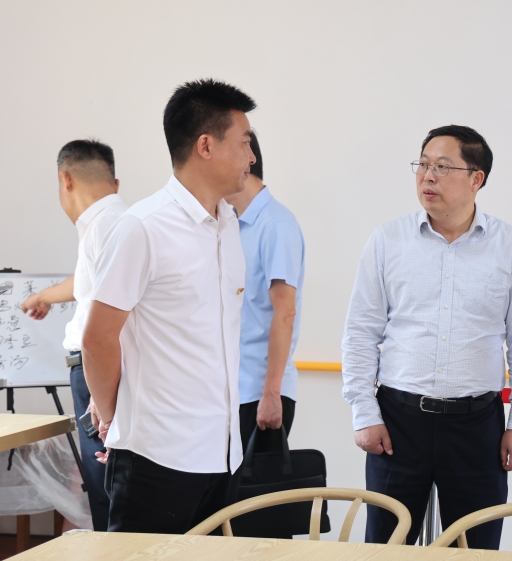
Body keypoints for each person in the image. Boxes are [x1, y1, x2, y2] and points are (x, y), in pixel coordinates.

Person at [342, 125, 512, 549]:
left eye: (442, 166)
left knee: (475, 549)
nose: (428, 176)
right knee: (385, 548)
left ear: (476, 179)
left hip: (477, 427)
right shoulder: (388, 240)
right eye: (422, 165)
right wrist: (364, 412)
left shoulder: (511, 247)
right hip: (397, 423)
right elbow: (361, 332)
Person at [81, 79, 256, 534]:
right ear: (206, 146)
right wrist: (114, 417)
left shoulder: (228, 224)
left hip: (222, 454)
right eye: (244, 142)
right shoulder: (143, 226)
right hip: (155, 457)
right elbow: (97, 337)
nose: (252, 157)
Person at [21, 139, 126, 531]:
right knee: (107, 484)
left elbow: (105, 325)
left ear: (65, 180)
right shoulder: (112, 221)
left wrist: (102, 400)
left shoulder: (104, 227)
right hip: (98, 368)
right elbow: (88, 283)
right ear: (115, 183)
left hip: (96, 369)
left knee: (105, 486)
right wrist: (44, 297)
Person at [224, 131, 305, 454]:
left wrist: (271, 393)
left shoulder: (276, 225)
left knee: (256, 488)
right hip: (232, 391)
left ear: (246, 160)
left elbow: (285, 313)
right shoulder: (229, 223)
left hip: (260, 394)